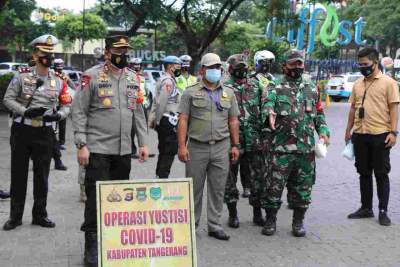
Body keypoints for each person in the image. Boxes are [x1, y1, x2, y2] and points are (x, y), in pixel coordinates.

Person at [71, 35, 149, 266]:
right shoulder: (92, 76)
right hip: (97, 149)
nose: (123, 55)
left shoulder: (134, 78)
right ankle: (92, 246)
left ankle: (114, 243)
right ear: (107, 53)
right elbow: (79, 111)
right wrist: (81, 144)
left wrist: (143, 143)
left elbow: (138, 113)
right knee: (96, 200)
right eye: (119, 50)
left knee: (119, 200)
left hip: (123, 151)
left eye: (126, 51)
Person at [2, 34, 72, 231]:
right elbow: (8, 99)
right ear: (35, 54)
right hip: (22, 130)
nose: (48, 57)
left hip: (45, 133)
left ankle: (40, 215)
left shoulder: (58, 80)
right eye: (44, 53)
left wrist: (59, 116)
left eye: (51, 53)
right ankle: (15, 217)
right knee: (19, 174)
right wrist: (25, 111)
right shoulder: (22, 76)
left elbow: (68, 105)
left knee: (42, 176)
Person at [261, 50, 330, 237]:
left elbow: (319, 114)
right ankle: (270, 220)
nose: (297, 67)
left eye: (300, 64)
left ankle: (298, 223)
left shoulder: (312, 88)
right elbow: (267, 105)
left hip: (305, 150)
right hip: (280, 150)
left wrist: (323, 132)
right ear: (285, 66)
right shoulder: (274, 86)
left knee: (303, 190)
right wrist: (269, 114)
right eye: (293, 64)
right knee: (273, 188)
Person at [177, 53, 240, 241]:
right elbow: (183, 120)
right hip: (196, 147)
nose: (215, 71)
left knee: (218, 188)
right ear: (202, 70)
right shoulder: (190, 92)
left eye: (218, 67)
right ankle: (191, 225)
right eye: (211, 67)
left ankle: (214, 225)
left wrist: (236, 145)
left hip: (222, 147)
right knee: (194, 188)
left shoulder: (229, 92)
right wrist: (181, 146)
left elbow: (234, 120)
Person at [345, 47, 399, 226]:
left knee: (381, 174)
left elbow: (393, 108)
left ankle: (383, 211)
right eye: (360, 64)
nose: (362, 67)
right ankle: (366, 208)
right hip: (360, 134)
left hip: (380, 135)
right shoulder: (358, 84)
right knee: (363, 173)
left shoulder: (388, 83)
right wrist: (348, 130)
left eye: (366, 64)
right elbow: (353, 108)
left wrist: (393, 132)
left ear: (376, 62)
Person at [223, 54, 269, 229]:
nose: (241, 70)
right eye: (238, 67)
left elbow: (266, 108)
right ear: (230, 69)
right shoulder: (223, 88)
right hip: (231, 141)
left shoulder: (256, 86)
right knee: (230, 179)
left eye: (244, 67)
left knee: (258, 179)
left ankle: (257, 214)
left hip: (254, 141)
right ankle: (233, 215)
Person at [149, 55, 181, 178]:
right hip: (167, 119)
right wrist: (157, 120)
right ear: (170, 66)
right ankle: (162, 176)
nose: (179, 68)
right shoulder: (168, 81)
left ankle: (160, 175)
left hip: (167, 119)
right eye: (177, 66)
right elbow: (161, 102)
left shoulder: (168, 79)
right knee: (168, 150)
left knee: (165, 150)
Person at [54, 58, 75, 150]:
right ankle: (53, 142)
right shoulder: (50, 75)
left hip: (63, 103)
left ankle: (61, 142)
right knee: (52, 123)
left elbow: (72, 85)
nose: (59, 69)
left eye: (60, 67)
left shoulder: (64, 76)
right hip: (53, 103)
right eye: (58, 67)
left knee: (62, 123)